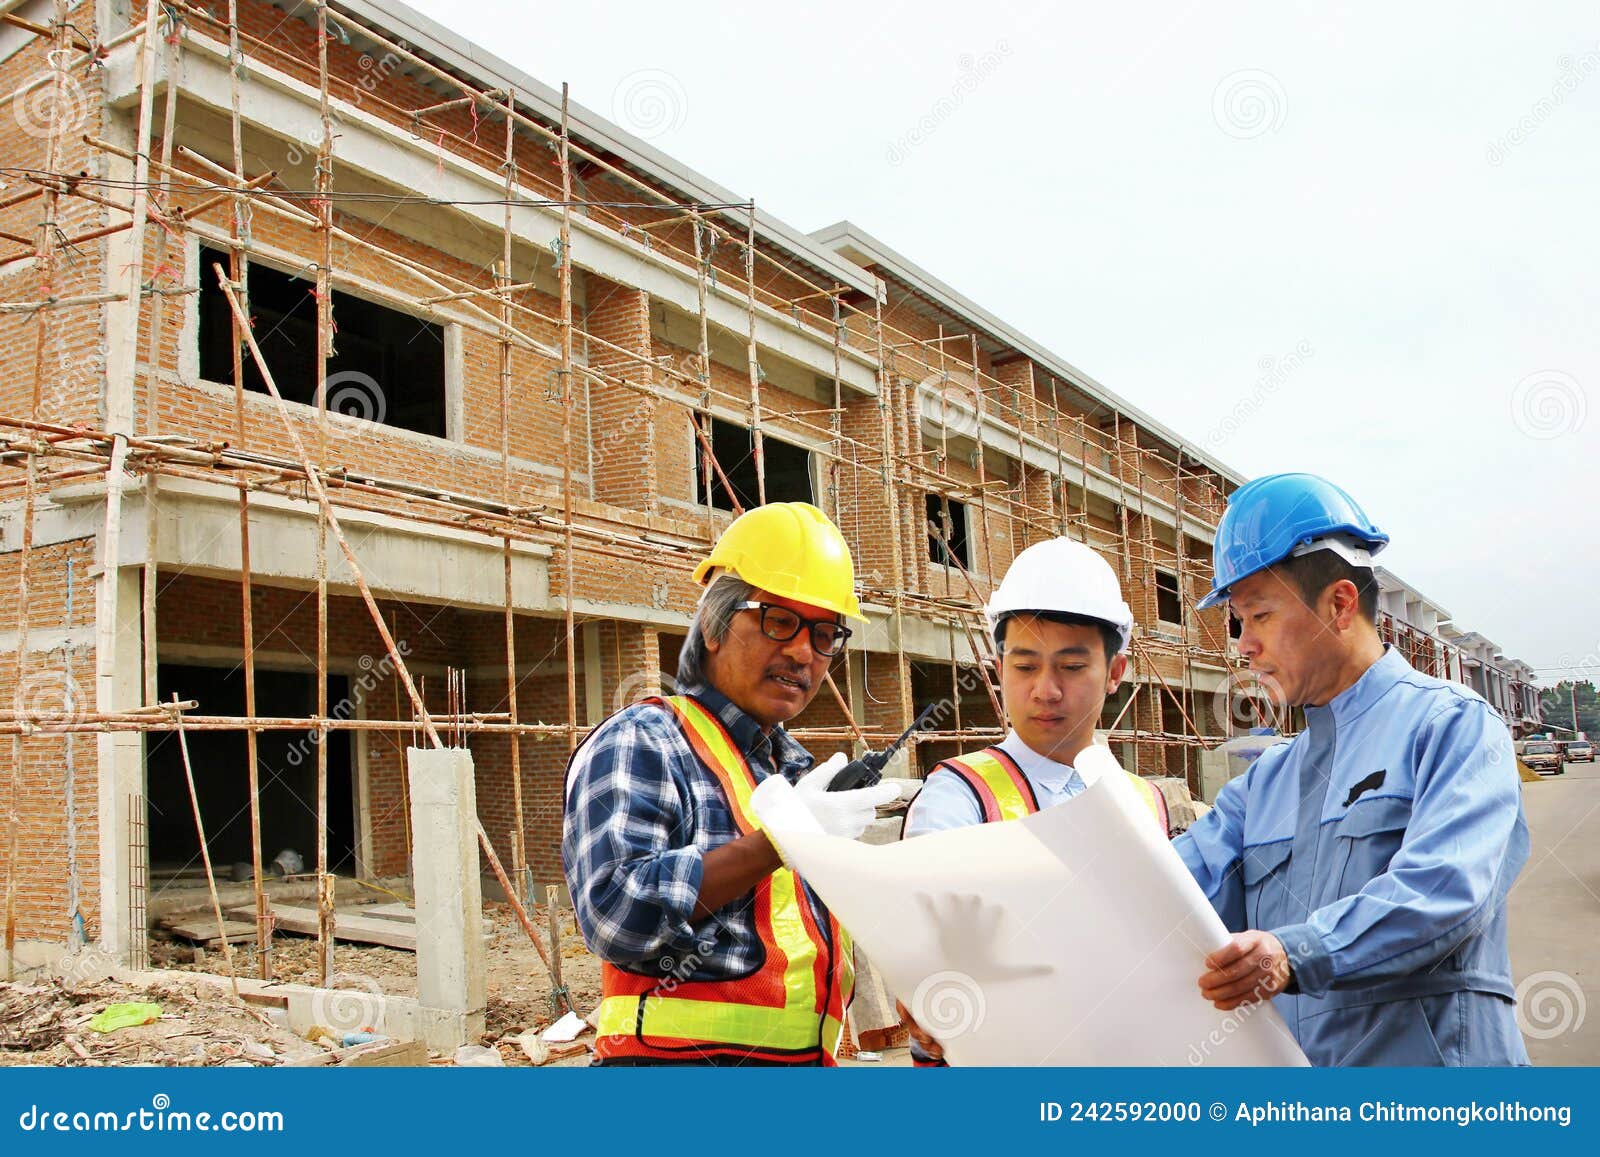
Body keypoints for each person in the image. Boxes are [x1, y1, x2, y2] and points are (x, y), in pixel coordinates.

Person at [1175, 472, 1530, 1066]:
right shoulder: (1263, 785)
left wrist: (1297, 953)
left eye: (1258, 616)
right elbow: (1170, 894)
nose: (1243, 645)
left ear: (1340, 604)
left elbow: (1445, 888)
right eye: (1238, 621)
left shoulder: (1452, 727)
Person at [562, 502, 899, 1065]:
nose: (802, 651)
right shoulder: (647, 739)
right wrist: (778, 843)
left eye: (824, 634)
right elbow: (614, 912)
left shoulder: (789, 770)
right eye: (778, 619)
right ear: (715, 628)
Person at [898, 536, 1170, 1063]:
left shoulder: (1147, 804)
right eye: (1024, 666)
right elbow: (923, 944)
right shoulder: (959, 797)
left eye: (1071, 667)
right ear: (1000, 668)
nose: (1045, 690)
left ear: (1115, 673)